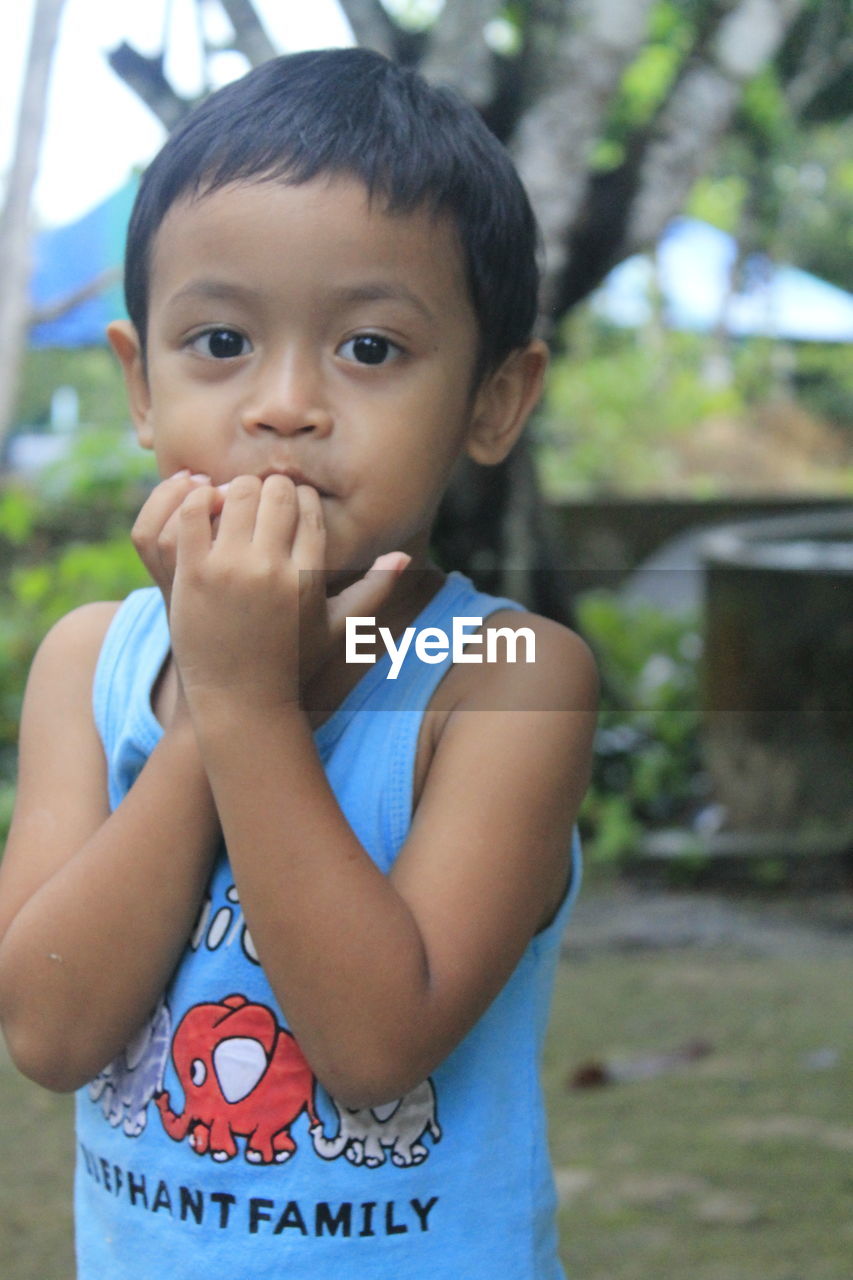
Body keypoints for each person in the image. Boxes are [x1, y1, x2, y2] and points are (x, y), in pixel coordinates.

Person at [0, 48, 597, 1279]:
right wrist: (214, 699)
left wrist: (242, 693)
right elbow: (47, 1028)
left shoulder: (498, 677)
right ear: (141, 383)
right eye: (219, 338)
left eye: (370, 350)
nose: (283, 404)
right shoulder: (89, 664)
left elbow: (376, 1046)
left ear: (494, 398)